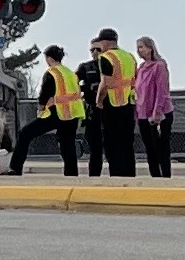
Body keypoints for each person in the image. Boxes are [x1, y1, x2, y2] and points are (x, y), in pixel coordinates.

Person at [87, 27, 139, 179]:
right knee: (127, 142)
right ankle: (129, 174)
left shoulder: (106, 57)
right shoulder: (129, 56)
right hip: (129, 102)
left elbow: (105, 83)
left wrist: (99, 101)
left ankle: (116, 175)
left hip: (112, 104)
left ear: (105, 42)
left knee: (112, 143)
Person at [36, 44, 86, 177]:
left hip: (58, 112)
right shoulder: (70, 73)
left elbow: (45, 93)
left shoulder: (52, 73)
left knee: (25, 134)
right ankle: (72, 174)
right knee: (69, 146)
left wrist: (41, 109)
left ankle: (16, 167)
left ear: (49, 58)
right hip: (74, 113)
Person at [134, 35, 175, 179]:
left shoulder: (159, 66)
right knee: (150, 147)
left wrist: (157, 112)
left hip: (159, 113)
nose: (139, 50)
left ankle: (165, 175)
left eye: (142, 47)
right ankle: (155, 176)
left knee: (161, 146)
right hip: (143, 112)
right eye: (138, 48)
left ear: (150, 48)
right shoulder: (141, 68)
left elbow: (161, 90)